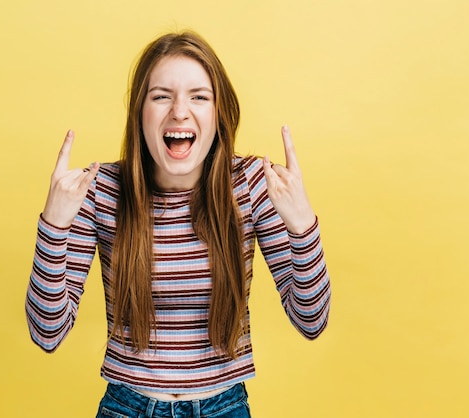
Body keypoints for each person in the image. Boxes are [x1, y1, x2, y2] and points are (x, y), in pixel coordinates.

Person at [26, 31, 331, 418]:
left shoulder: (252, 184)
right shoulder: (99, 189)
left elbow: (312, 320)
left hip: (224, 407)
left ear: (218, 113)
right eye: (161, 96)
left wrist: (302, 225)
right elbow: (46, 334)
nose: (180, 111)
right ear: (139, 112)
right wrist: (53, 226)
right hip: (127, 407)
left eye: (198, 96)